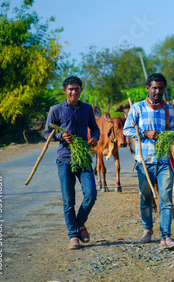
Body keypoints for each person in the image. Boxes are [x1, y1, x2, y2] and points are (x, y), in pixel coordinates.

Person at [123, 73, 174, 250]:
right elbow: (127, 130)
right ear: (147, 88)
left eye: (161, 88)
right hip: (144, 162)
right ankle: (147, 229)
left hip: (163, 161)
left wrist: (168, 136)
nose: (157, 91)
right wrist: (145, 133)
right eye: (154, 88)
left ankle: (166, 236)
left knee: (166, 199)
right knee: (146, 197)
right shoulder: (137, 108)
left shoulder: (169, 109)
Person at [44, 76, 100, 250]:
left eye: (77, 89)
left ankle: (79, 222)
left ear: (80, 90)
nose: (74, 92)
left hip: (82, 157)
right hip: (64, 159)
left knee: (91, 194)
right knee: (69, 200)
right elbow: (47, 134)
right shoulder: (56, 109)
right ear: (64, 91)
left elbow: (95, 128)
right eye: (70, 89)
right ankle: (73, 236)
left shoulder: (87, 109)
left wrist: (95, 138)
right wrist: (61, 136)